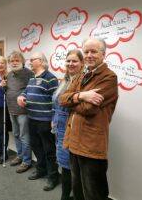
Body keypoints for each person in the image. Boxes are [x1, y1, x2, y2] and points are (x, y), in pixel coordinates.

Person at [59, 37, 119, 200]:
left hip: (91, 145)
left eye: (94, 51)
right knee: (77, 190)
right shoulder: (82, 74)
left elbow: (88, 108)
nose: (89, 55)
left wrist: (73, 99)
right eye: (86, 52)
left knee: (94, 193)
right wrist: (82, 95)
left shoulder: (109, 77)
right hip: (74, 141)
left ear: (103, 54)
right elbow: (62, 99)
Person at [52, 49, 101, 200]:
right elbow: (56, 103)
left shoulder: (84, 81)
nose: (70, 64)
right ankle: (68, 194)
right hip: (59, 126)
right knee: (64, 162)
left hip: (73, 126)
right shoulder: (65, 80)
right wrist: (53, 119)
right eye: (68, 61)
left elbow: (83, 106)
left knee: (68, 165)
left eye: (74, 61)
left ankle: (66, 196)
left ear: (82, 63)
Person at [17, 52, 59, 191]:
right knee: (36, 147)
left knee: (49, 150)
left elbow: (56, 101)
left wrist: (54, 119)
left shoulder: (50, 78)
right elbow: (26, 92)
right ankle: (41, 170)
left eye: (32, 59)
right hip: (32, 118)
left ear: (40, 61)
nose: (29, 62)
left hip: (45, 120)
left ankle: (53, 177)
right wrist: (21, 96)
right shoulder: (32, 78)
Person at [6, 51, 34, 173]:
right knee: (16, 134)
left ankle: (26, 161)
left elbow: (32, 90)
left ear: (22, 61)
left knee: (24, 136)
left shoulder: (29, 73)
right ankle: (20, 155)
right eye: (12, 61)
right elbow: (8, 89)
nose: (14, 62)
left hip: (23, 111)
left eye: (17, 60)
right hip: (11, 109)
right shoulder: (9, 75)